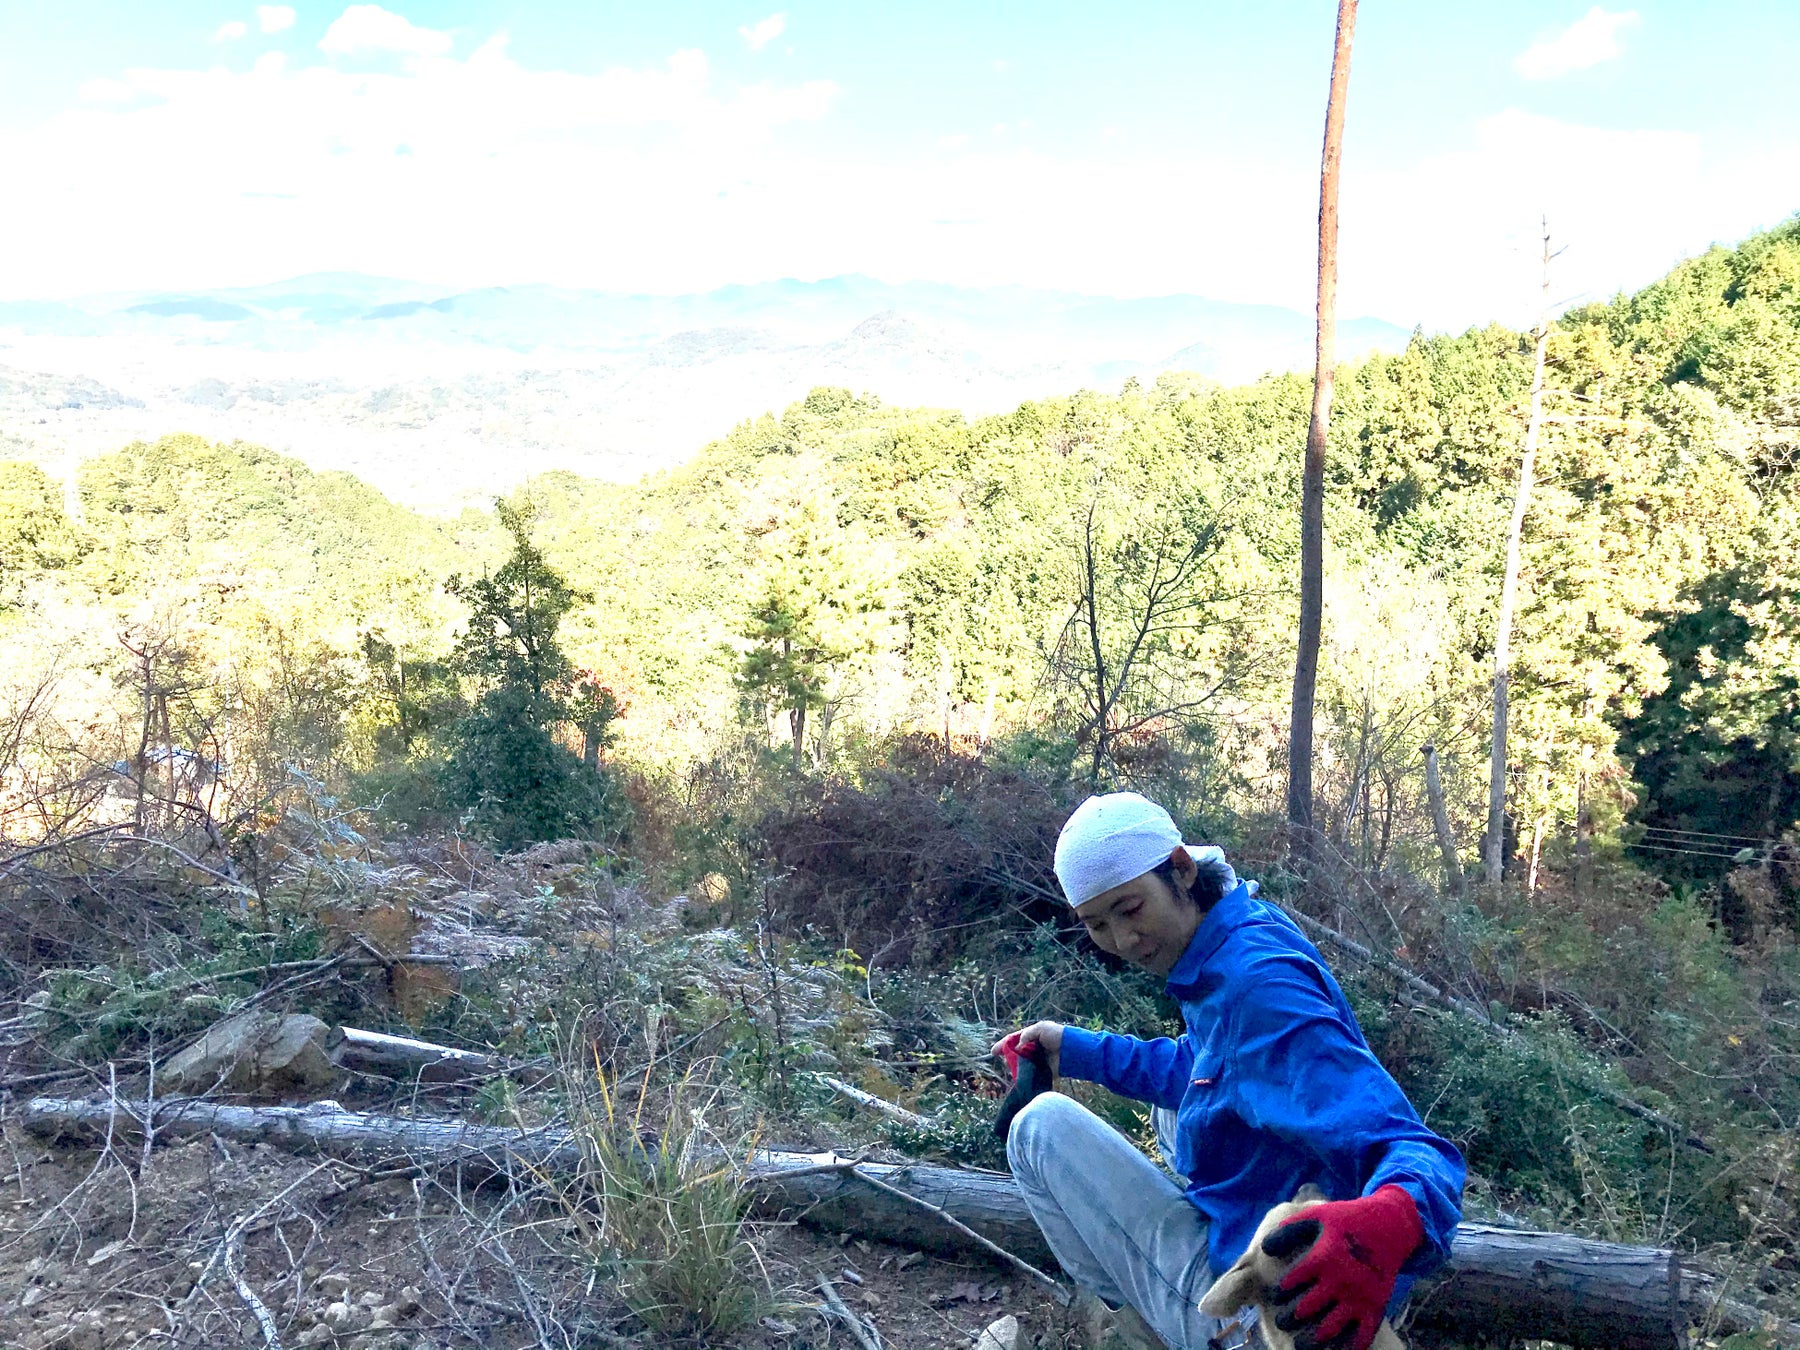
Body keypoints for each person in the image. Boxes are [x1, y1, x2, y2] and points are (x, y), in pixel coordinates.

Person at [993, 793, 1464, 1350]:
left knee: (1037, 1128)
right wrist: (1074, 1049)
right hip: (1285, 1222)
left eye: (1130, 909)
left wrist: (1387, 1223)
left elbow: (1413, 1146)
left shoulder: (1256, 989)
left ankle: (1138, 1328)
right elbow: (1212, 1068)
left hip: (1262, 1317)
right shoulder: (1236, 926)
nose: (1122, 941)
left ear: (1181, 869)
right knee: (1175, 1113)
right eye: (1097, 923)